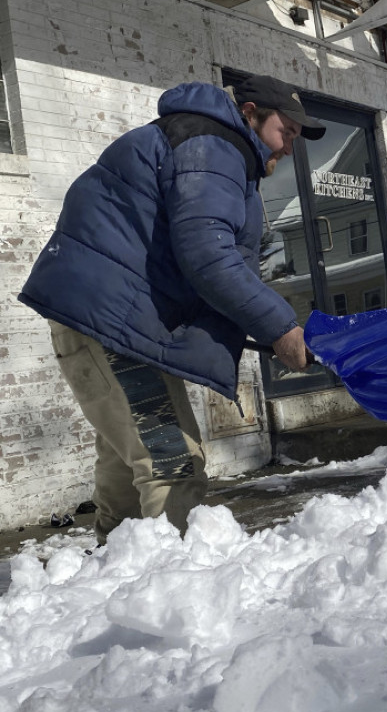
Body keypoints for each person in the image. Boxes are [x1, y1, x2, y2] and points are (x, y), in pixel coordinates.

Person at [18, 74, 326, 545]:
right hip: (113, 325)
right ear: (249, 114)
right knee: (172, 465)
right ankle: (176, 593)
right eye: (286, 130)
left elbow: (197, 257)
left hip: (105, 320)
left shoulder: (203, 144)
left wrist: (259, 327)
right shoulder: (216, 146)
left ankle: (116, 577)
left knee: (126, 471)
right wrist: (281, 327)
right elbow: (208, 254)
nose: (290, 145)